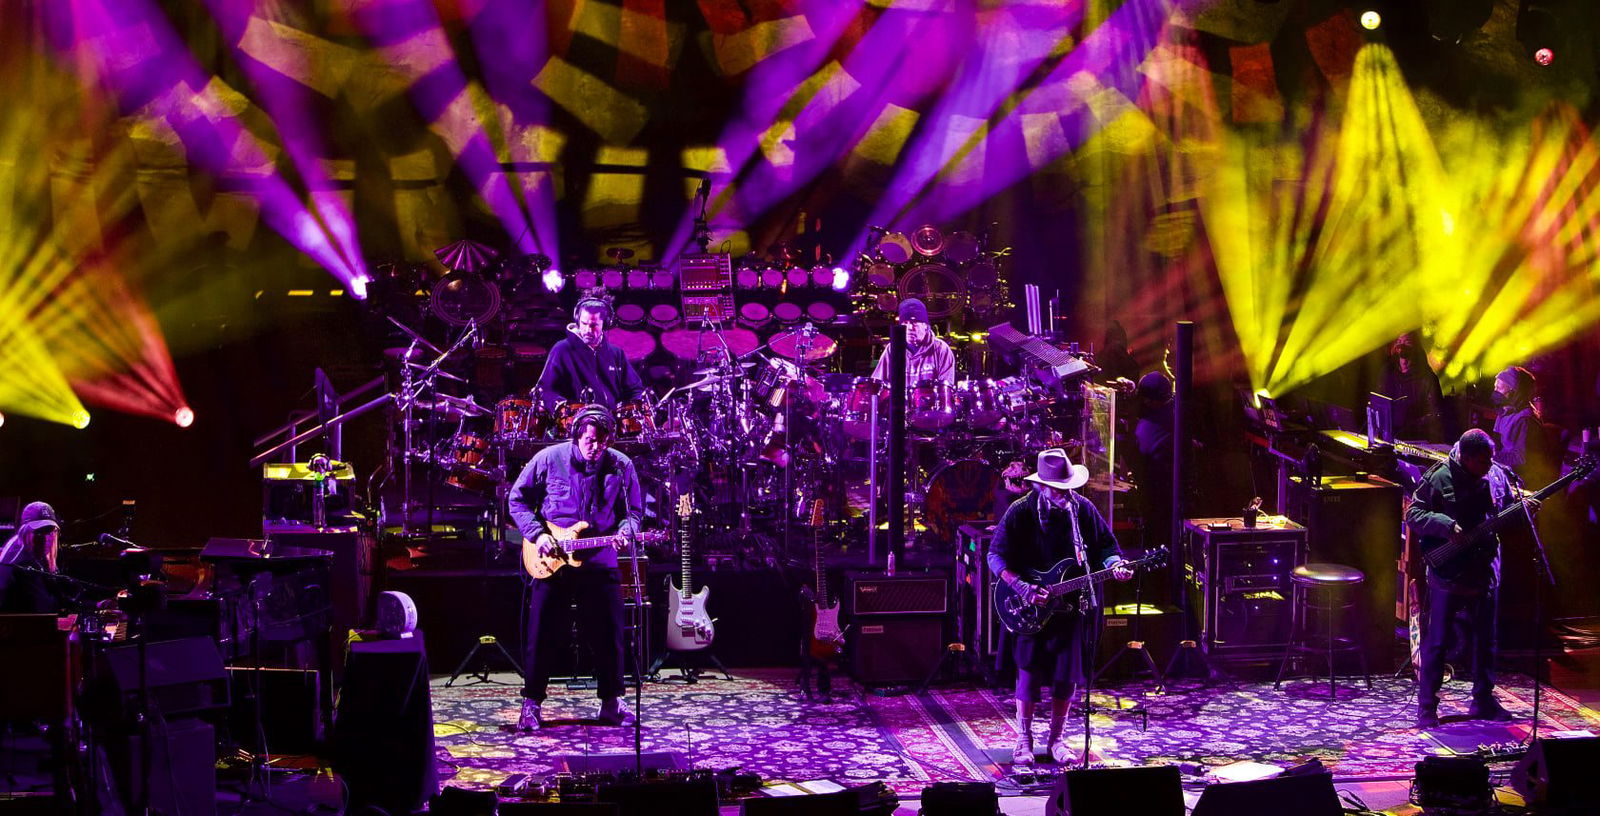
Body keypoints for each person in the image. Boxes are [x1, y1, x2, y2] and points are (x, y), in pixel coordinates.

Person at [986, 449, 1133, 765]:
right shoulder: (1020, 512)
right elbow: (994, 556)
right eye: (1057, 489)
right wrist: (1021, 587)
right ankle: (1024, 740)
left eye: (1068, 487)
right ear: (1041, 486)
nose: (1065, 494)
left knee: (1067, 675)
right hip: (1030, 605)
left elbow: (1107, 546)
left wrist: (1115, 564)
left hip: (1071, 606)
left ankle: (1056, 740)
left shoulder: (1082, 509)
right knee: (1028, 672)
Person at [507, 406, 643, 730]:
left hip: (598, 558)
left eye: (602, 442)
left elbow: (633, 513)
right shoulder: (548, 459)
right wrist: (538, 534)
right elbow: (517, 499)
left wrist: (626, 532)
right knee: (541, 632)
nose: (595, 448)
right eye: (589, 441)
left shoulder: (621, 466)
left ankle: (612, 702)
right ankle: (532, 703)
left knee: (609, 633)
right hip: (551, 557)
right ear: (576, 436)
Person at [1407, 428, 1539, 728]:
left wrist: (1523, 511)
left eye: (1490, 459)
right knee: (1438, 641)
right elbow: (1414, 515)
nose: (1488, 465)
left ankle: (1483, 699)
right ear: (1465, 458)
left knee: (1486, 640)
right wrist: (1445, 525)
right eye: (1482, 461)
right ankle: (1427, 706)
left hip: (1484, 568)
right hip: (1448, 572)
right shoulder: (1438, 477)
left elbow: (1504, 514)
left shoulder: (1497, 474)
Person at [534, 297, 648, 411]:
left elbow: (635, 389)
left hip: (611, 418)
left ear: (605, 324)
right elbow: (544, 390)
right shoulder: (562, 349)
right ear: (577, 321)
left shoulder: (616, 353)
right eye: (584, 323)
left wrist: (637, 404)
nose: (588, 330)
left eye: (594, 325)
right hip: (577, 418)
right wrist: (563, 407)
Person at [1491, 366, 1558, 486]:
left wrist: (1490, 456)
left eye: (1499, 388)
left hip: (1521, 480)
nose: (1495, 391)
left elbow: (1520, 459)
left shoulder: (1525, 420)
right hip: (1504, 470)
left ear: (1513, 392)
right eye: (1495, 387)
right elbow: (1497, 445)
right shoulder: (1505, 412)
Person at [870, 298, 955, 387]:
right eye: (905, 323)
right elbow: (877, 385)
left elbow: (946, 389)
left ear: (926, 326)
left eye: (915, 322)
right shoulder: (893, 349)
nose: (910, 327)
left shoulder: (941, 349)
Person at [0, 501, 66, 613]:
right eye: (39, 533)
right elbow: (43, 608)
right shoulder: (22, 564)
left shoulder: (33, 555)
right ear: (25, 532)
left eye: (49, 532)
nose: (46, 539)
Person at [1381, 333, 1446, 441]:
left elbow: (1435, 413)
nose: (1402, 345)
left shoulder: (1428, 379)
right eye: (1399, 341)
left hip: (1416, 437)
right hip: (1389, 435)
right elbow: (1379, 401)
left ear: (1415, 347)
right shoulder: (1388, 372)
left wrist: (1412, 425)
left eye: (1407, 342)